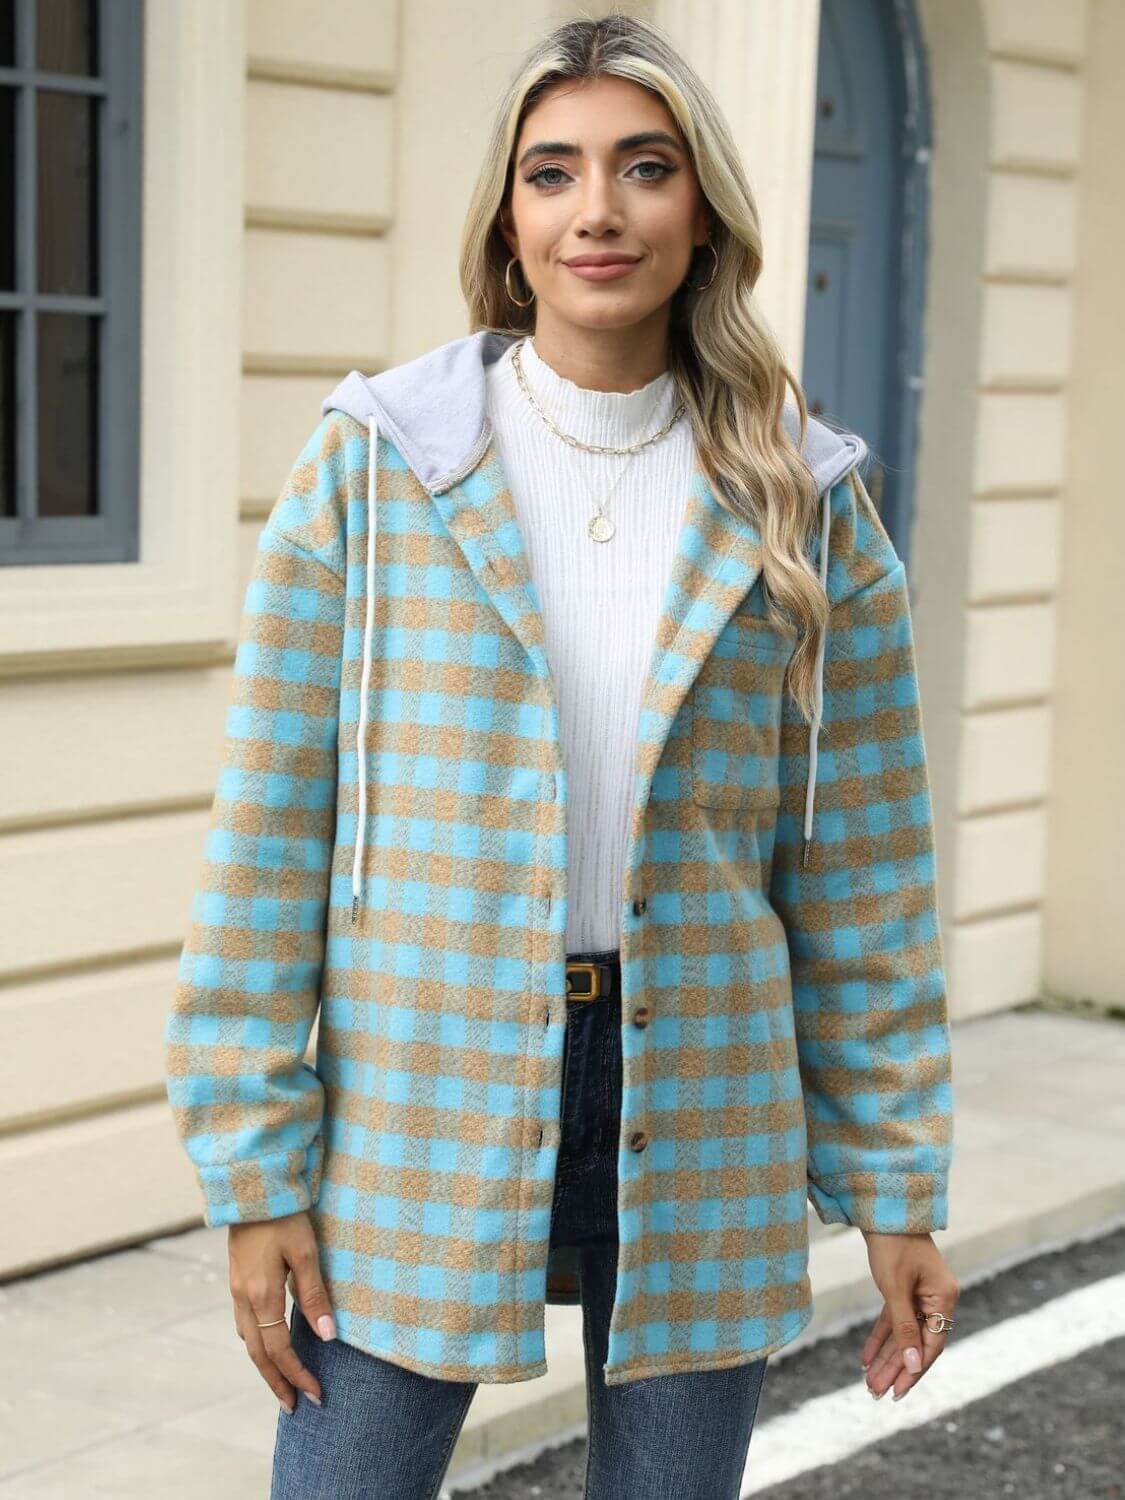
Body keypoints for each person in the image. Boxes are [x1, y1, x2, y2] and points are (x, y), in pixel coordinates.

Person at [163, 13, 958, 1499]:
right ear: (509, 217)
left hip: (706, 1094)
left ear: (700, 207)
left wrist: (896, 1186)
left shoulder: (805, 503)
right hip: (420, 1091)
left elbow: (861, 877)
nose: (598, 210)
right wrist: (254, 1168)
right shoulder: (380, 465)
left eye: (643, 168)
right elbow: (269, 834)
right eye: (554, 172)